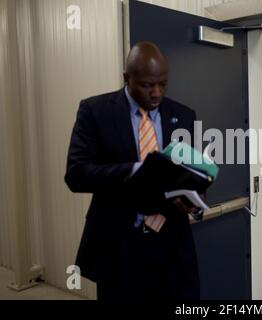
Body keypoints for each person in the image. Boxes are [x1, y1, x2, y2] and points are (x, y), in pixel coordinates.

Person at [65, 42, 200, 300]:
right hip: (119, 246)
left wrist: (194, 197)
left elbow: (187, 171)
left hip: (172, 245)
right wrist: (137, 170)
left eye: (163, 84)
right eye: (147, 85)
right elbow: (76, 173)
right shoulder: (95, 112)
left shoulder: (183, 115)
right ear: (127, 78)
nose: (156, 93)